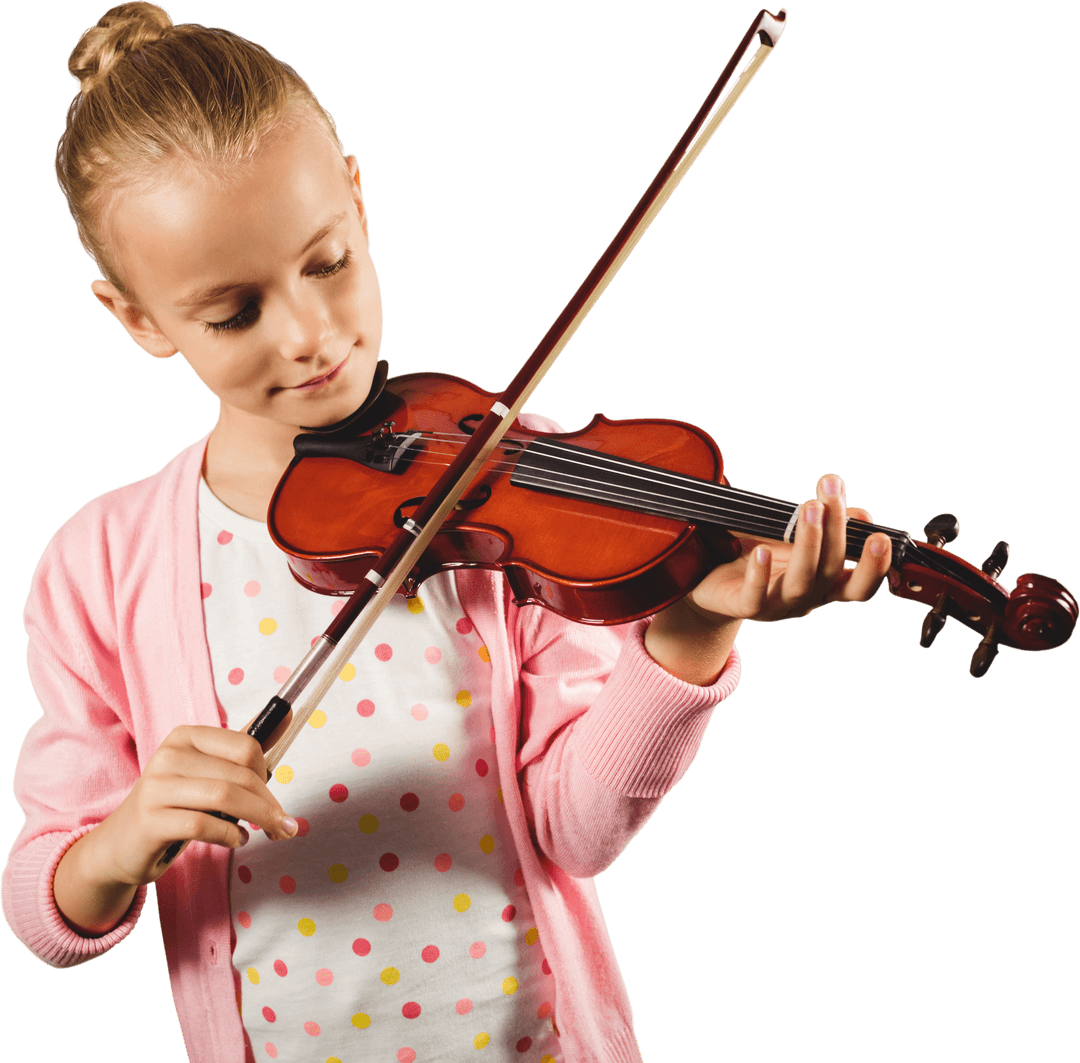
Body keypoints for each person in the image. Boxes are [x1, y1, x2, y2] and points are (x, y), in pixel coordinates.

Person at [1, 4, 892, 1062]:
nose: (311, 334)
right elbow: (42, 904)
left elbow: (577, 829)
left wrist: (695, 628)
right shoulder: (100, 567)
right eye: (233, 314)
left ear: (358, 200)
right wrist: (127, 834)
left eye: (326, 262)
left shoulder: (510, 480)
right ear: (138, 317)